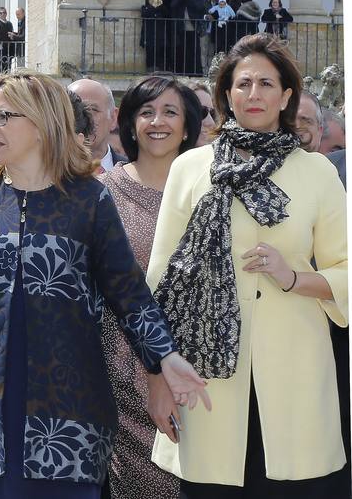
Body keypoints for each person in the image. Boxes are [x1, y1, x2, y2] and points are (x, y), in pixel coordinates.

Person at [0, 70, 210, 498]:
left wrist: (164, 357)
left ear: (40, 121)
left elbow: (128, 292)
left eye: (2, 117)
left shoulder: (89, 199)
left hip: (66, 411)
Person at [146, 34, 348, 495]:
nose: (253, 94)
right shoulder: (190, 168)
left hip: (295, 377)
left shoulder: (317, 172)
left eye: (265, 83)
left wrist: (293, 277)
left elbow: (347, 272)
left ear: (287, 96)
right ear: (226, 95)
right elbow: (160, 283)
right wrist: (158, 374)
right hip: (206, 383)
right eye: (243, 84)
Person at [97, 74, 203, 499]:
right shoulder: (102, 193)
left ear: (188, 123)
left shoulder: (211, 189)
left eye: (170, 112)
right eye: (146, 112)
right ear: (129, 122)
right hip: (122, 369)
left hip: (202, 365)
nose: (158, 122)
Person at [69, 79, 124, 173]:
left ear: (113, 117)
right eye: (74, 110)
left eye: (92, 109)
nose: (84, 117)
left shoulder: (134, 175)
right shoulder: (46, 175)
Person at [140, 0, 170, 71]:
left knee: (158, 53)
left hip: (159, 34)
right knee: (149, 53)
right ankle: (150, 69)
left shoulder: (160, 7)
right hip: (149, 34)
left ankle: (157, 69)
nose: (154, 0)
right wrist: (153, 6)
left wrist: (159, 4)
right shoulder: (145, 7)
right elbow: (145, 14)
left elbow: (166, 13)